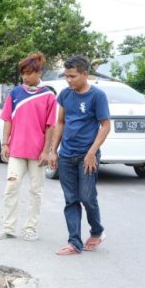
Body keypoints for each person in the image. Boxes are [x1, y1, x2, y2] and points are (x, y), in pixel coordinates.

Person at [48, 55, 111, 256]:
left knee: (87, 197)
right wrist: (53, 151)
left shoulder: (97, 96)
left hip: (87, 155)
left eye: (73, 76)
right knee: (71, 199)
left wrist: (92, 152)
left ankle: (97, 231)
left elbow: (105, 125)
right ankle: (74, 242)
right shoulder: (65, 95)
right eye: (66, 76)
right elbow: (60, 122)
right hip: (66, 155)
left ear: (85, 74)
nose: (69, 80)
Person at [0, 52, 57, 242]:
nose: (25, 77)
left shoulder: (48, 95)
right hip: (17, 151)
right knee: (11, 186)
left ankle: (30, 228)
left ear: (38, 73)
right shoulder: (15, 93)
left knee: (36, 191)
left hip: (38, 153)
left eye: (29, 73)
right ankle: (8, 227)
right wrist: (5, 143)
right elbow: (7, 120)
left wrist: (47, 151)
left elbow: (50, 126)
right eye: (23, 73)